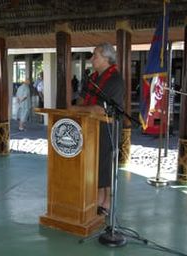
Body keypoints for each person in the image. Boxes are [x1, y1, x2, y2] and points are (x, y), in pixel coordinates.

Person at [76, 42, 125, 215]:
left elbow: (101, 109)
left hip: (107, 129)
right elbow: (82, 99)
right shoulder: (92, 78)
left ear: (106, 58)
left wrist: (75, 109)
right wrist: (77, 108)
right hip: (90, 127)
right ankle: (98, 201)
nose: (91, 59)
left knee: (103, 167)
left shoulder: (115, 80)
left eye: (95, 55)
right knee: (95, 166)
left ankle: (105, 203)